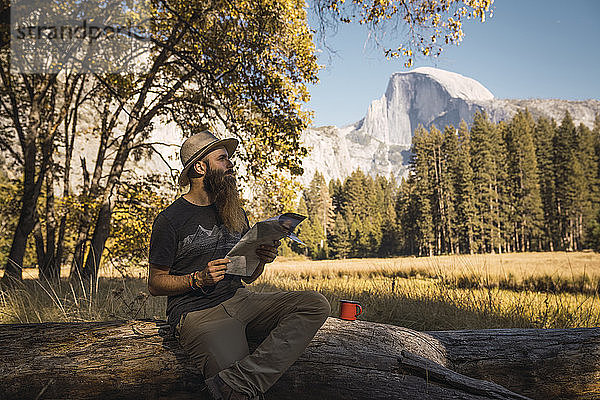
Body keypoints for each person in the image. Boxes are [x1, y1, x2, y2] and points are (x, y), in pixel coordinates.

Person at [147, 130, 331, 400]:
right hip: (197, 315)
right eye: (222, 159)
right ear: (200, 167)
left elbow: (247, 276)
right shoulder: (170, 220)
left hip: (241, 299)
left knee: (315, 304)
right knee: (241, 396)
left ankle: (238, 382)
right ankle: (238, 388)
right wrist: (196, 279)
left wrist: (262, 259)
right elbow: (154, 284)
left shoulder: (235, 211)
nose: (231, 164)